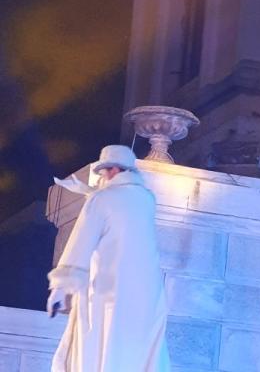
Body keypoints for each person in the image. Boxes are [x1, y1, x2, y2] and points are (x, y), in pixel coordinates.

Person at [47, 145, 170, 372]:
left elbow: (81, 242)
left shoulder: (102, 199)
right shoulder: (146, 200)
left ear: (112, 170)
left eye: (103, 173)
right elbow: (120, 209)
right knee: (136, 352)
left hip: (108, 290)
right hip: (146, 295)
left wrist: (61, 287)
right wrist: (91, 193)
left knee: (100, 345)